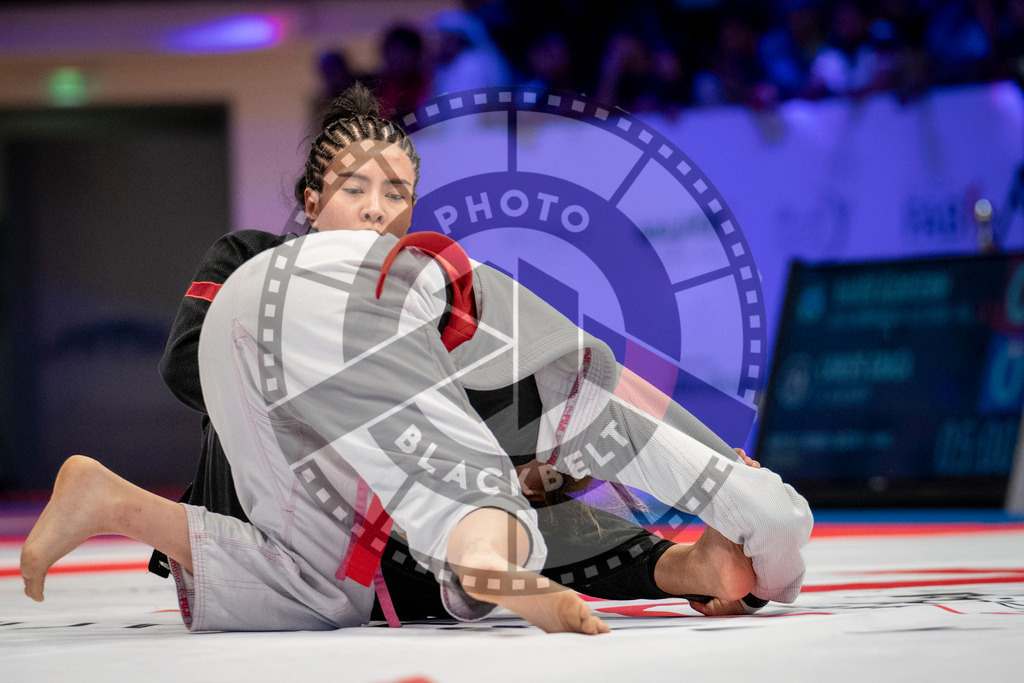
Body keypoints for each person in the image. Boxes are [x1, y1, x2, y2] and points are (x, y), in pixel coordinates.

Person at [21, 85, 813, 633]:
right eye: (353, 187)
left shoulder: (418, 288)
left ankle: (690, 568)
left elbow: (552, 376)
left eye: (396, 192)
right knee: (424, 534)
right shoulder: (251, 259)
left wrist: (516, 454)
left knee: (500, 498)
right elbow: (186, 367)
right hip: (265, 469)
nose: (375, 206)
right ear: (310, 200)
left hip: (374, 508)